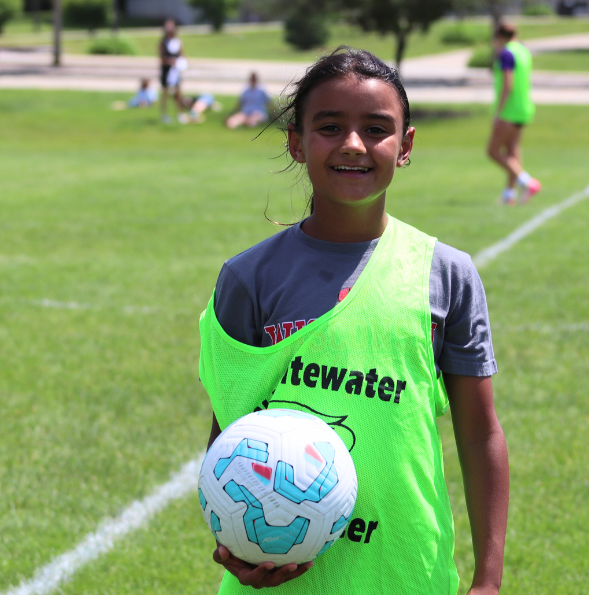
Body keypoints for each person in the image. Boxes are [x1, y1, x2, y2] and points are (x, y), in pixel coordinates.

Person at [199, 47, 509, 595]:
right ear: (297, 141)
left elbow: (479, 431)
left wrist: (487, 578)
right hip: (283, 577)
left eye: (376, 128)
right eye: (330, 126)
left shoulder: (446, 274)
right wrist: (236, 547)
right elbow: (230, 431)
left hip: (405, 570)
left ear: (406, 145)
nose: (352, 144)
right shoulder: (248, 278)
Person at [487, 23, 541, 205]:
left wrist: (498, 112)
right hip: (524, 108)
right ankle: (509, 195)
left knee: (493, 151)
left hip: (510, 110)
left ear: (500, 37)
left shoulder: (507, 54)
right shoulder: (523, 51)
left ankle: (527, 182)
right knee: (512, 151)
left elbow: (507, 85)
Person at [158, 18, 186, 124]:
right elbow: (161, 57)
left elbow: (182, 54)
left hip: (176, 70)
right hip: (166, 69)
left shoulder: (178, 41)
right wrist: (171, 61)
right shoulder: (163, 41)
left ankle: (180, 113)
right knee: (165, 92)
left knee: (178, 92)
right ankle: (164, 114)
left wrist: (181, 63)